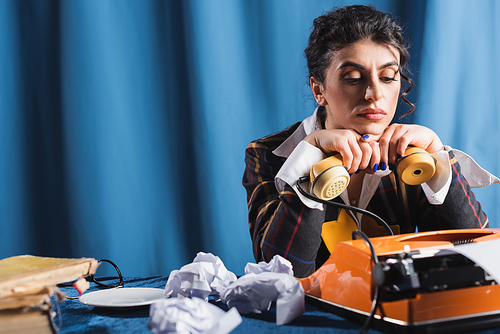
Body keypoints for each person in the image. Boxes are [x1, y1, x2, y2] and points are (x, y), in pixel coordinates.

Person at [242, 5, 499, 278]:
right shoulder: (269, 154)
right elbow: (278, 276)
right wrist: (307, 167)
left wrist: (438, 158)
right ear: (319, 89)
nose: (374, 93)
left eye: (388, 77)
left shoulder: (413, 152)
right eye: (353, 78)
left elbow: (477, 258)